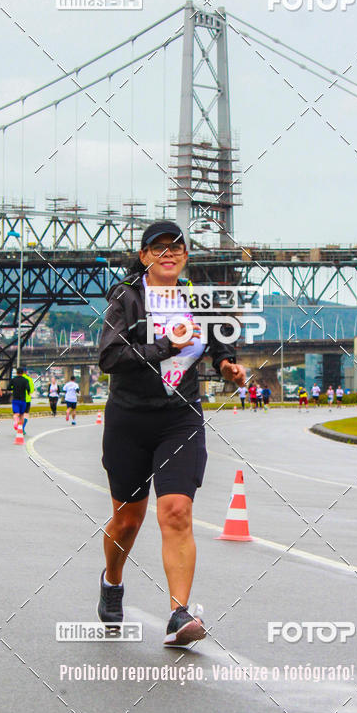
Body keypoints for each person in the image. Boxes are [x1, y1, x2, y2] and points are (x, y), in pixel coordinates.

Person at [96, 220, 246, 646]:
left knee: (176, 511)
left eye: (176, 247)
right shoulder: (126, 297)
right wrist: (165, 348)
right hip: (130, 419)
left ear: (185, 256)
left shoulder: (199, 300)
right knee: (127, 520)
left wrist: (226, 366)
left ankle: (179, 614)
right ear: (143, 256)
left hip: (180, 418)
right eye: (157, 248)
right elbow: (108, 355)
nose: (168, 253)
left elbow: (218, 343)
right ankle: (112, 580)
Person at [9, 367, 30, 433]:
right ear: (23, 372)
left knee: (16, 413)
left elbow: (8, 387)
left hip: (15, 399)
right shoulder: (25, 380)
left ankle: (15, 423)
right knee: (22, 415)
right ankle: (20, 429)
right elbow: (28, 389)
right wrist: (28, 393)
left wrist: (14, 389)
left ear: (17, 373)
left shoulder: (13, 380)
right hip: (23, 400)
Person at [21, 367, 35, 434]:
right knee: (25, 415)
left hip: (18, 399)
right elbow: (32, 390)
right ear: (26, 372)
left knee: (19, 414)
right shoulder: (29, 379)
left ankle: (17, 424)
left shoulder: (16, 379)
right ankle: (22, 428)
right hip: (27, 399)